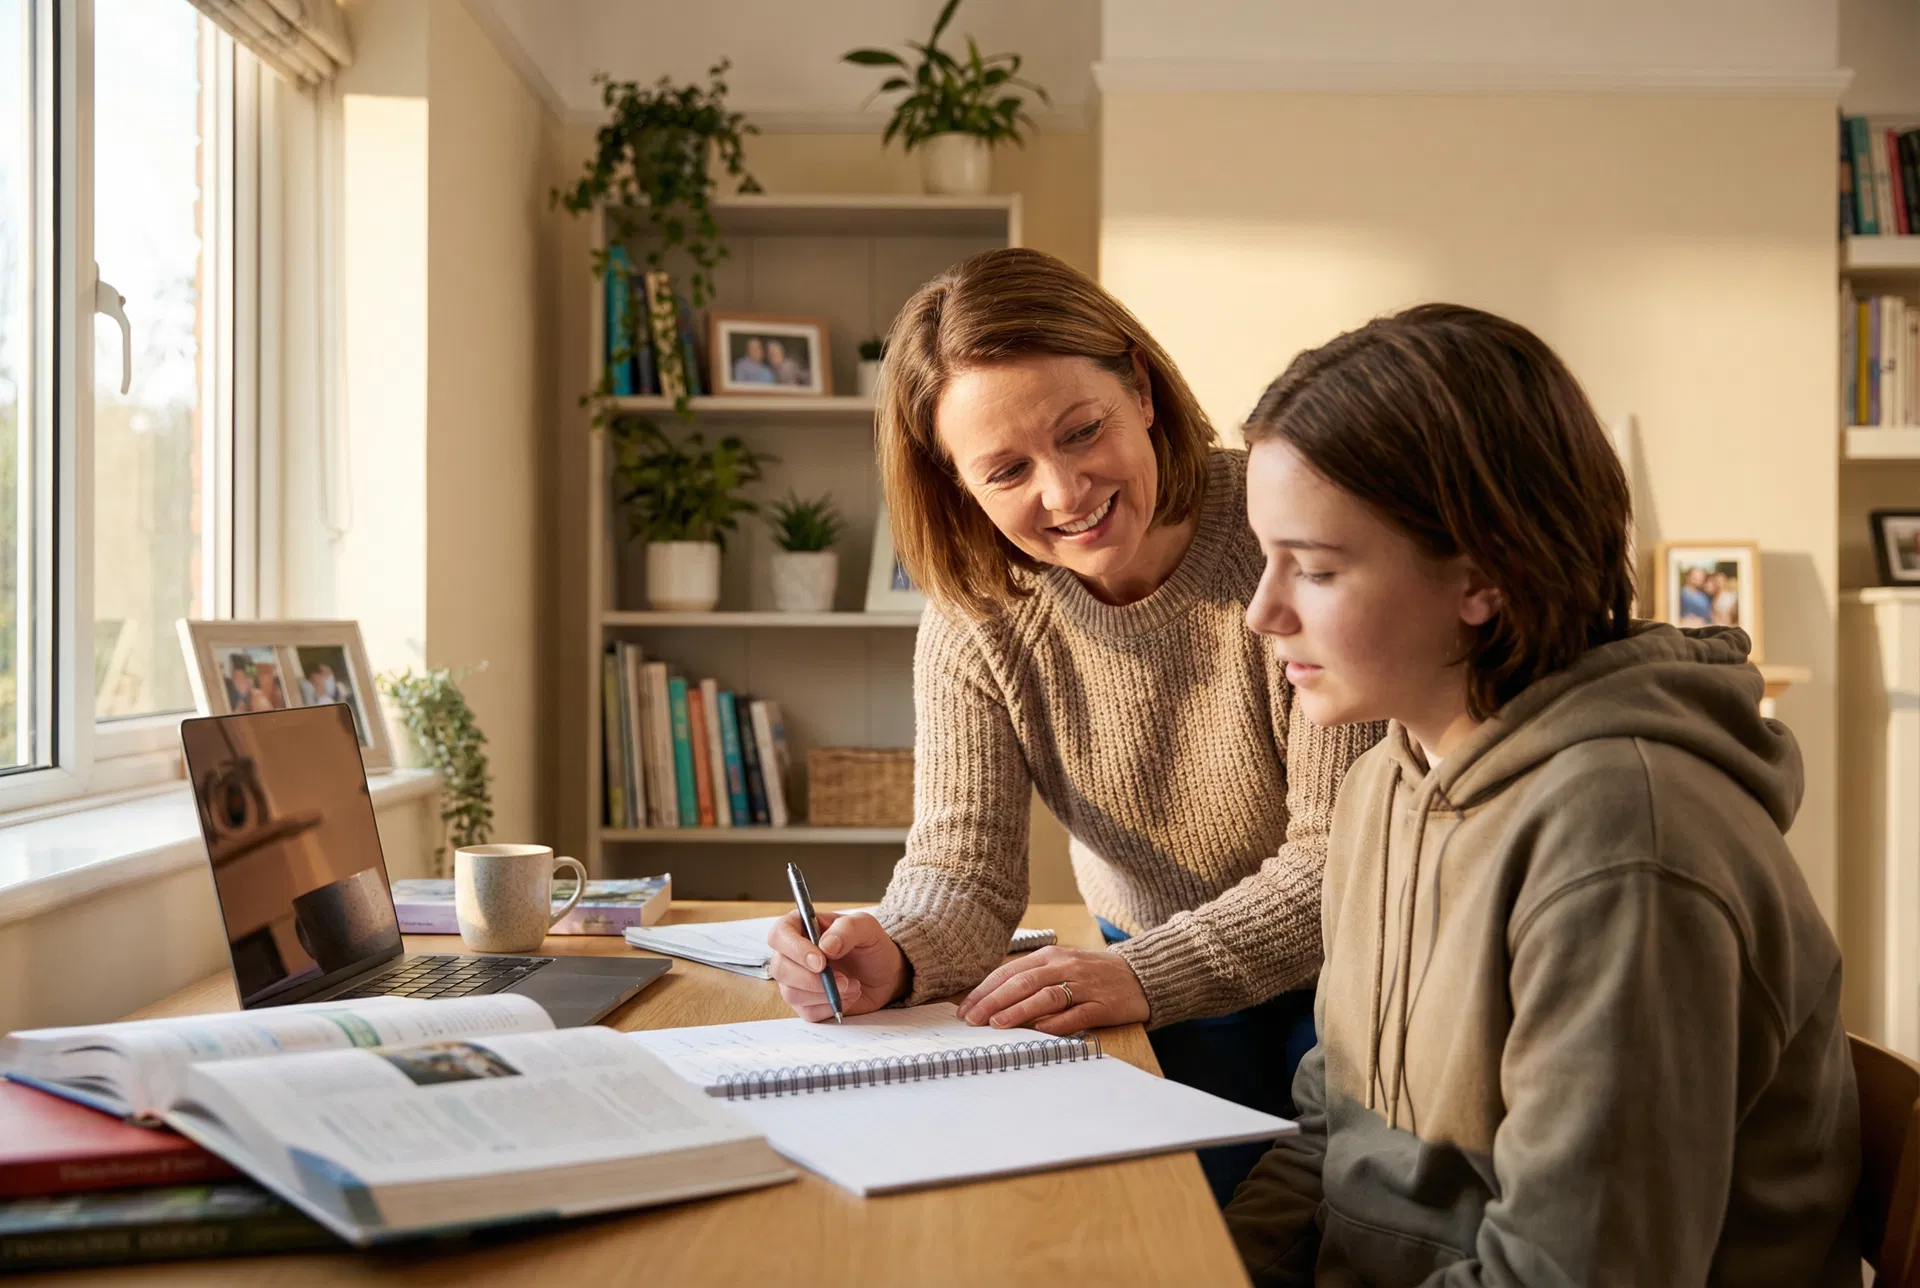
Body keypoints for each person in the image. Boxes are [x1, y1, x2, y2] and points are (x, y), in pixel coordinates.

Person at [1223, 304, 1858, 1284]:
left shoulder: (1624, 846)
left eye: (1313, 568)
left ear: (1482, 577)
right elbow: (1329, 1136)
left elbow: (1579, 1272)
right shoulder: (1381, 788)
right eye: (1266, 559)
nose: (1264, 612)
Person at [763, 247, 1381, 1205]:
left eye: (1082, 430)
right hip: (1145, 975)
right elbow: (962, 867)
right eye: (1006, 469)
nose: (1064, 493)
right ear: (956, 482)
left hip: (1342, 975)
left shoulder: (1284, 531)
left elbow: (1339, 858)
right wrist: (897, 949)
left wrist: (1140, 974)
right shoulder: (978, 613)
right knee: (1154, 1228)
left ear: (1139, 384)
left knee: (1334, 1230)